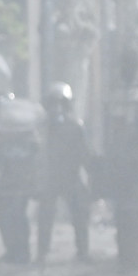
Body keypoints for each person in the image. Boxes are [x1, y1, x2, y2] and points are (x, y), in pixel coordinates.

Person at [39, 83, 92, 261]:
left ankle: (83, 251)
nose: (57, 109)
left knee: (80, 214)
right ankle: (42, 252)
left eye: (61, 104)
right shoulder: (43, 128)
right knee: (45, 215)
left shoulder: (75, 127)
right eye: (53, 104)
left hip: (71, 176)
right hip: (50, 177)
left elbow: (84, 154)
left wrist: (92, 175)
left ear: (67, 106)